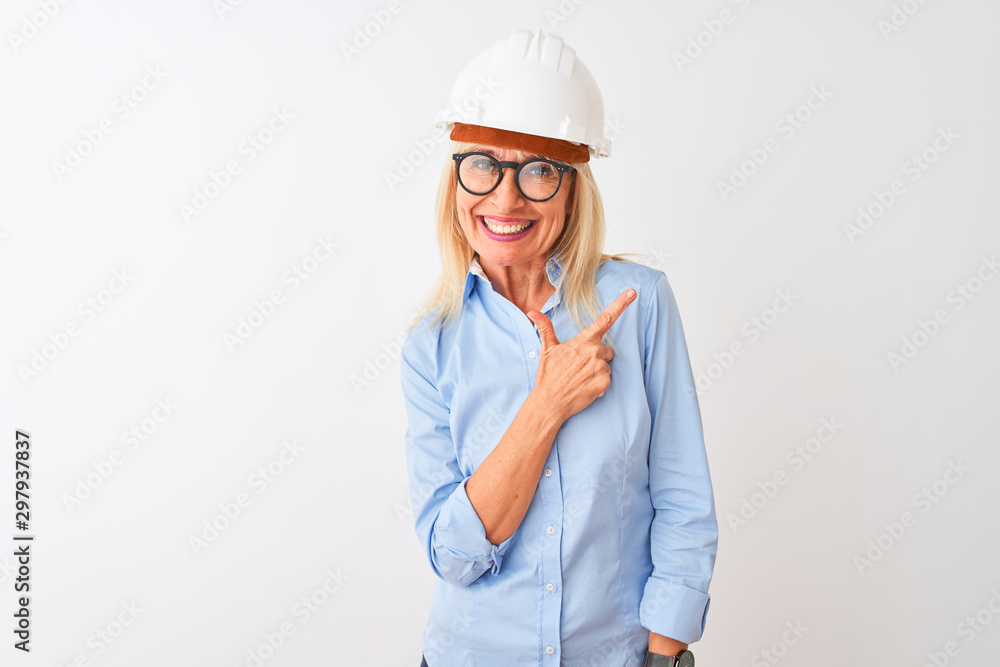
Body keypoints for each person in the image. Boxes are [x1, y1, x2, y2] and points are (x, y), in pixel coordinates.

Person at [400, 29, 718, 667]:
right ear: (456, 177)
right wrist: (547, 404)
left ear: (573, 188)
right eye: (484, 163)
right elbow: (454, 556)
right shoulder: (431, 343)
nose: (506, 197)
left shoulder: (638, 304)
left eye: (540, 170)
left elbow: (683, 499)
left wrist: (664, 652)